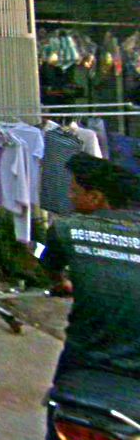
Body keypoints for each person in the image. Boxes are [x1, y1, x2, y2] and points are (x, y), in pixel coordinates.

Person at [39, 152, 140, 380]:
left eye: (74, 191)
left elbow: (50, 267)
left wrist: (62, 283)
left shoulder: (65, 229)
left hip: (84, 362)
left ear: (95, 197)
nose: (69, 196)